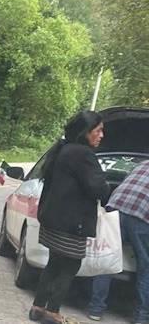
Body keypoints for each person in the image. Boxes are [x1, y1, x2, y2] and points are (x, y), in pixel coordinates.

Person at [29, 110, 110, 324]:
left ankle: (38, 307)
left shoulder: (64, 149)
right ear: (85, 132)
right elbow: (98, 189)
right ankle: (53, 312)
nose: (102, 135)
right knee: (70, 266)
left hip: (54, 220)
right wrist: (106, 186)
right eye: (98, 131)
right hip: (72, 224)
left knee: (55, 263)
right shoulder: (83, 155)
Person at [87, 159, 149, 323]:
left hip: (116, 209)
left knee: (107, 258)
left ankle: (95, 309)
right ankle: (142, 317)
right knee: (146, 268)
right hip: (143, 218)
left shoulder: (143, 164)